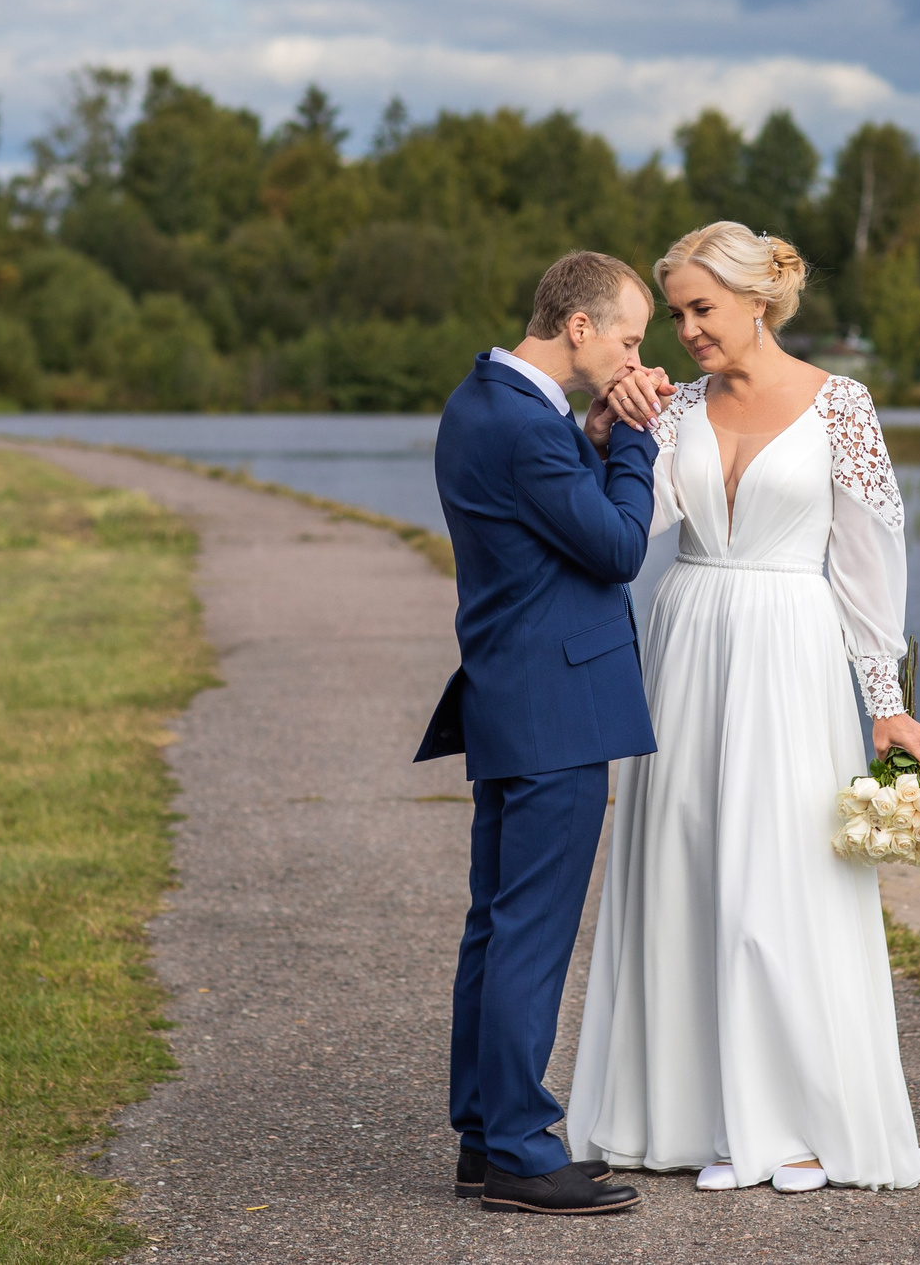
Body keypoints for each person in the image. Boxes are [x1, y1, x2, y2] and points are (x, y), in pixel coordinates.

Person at [566, 220, 920, 1193]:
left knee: (783, 880)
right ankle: (691, 1116)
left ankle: (798, 1123)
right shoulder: (672, 407)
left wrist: (886, 705)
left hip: (790, 649)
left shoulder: (840, 407)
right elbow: (626, 527)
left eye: (702, 308)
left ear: (758, 301)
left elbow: (866, 568)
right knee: (685, 864)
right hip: (688, 633)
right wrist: (604, 427)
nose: (686, 329)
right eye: (677, 312)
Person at [416, 250, 662, 1217]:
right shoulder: (528, 426)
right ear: (579, 328)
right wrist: (635, 439)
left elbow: (545, 514)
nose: (637, 354)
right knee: (531, 930)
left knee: (496, 921)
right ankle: (520, 1148)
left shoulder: (484, 402)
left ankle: (484, 1133)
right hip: (556, 707)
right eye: (631, 338)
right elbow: (617, 547)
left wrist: (594, 432)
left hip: (508, 692)